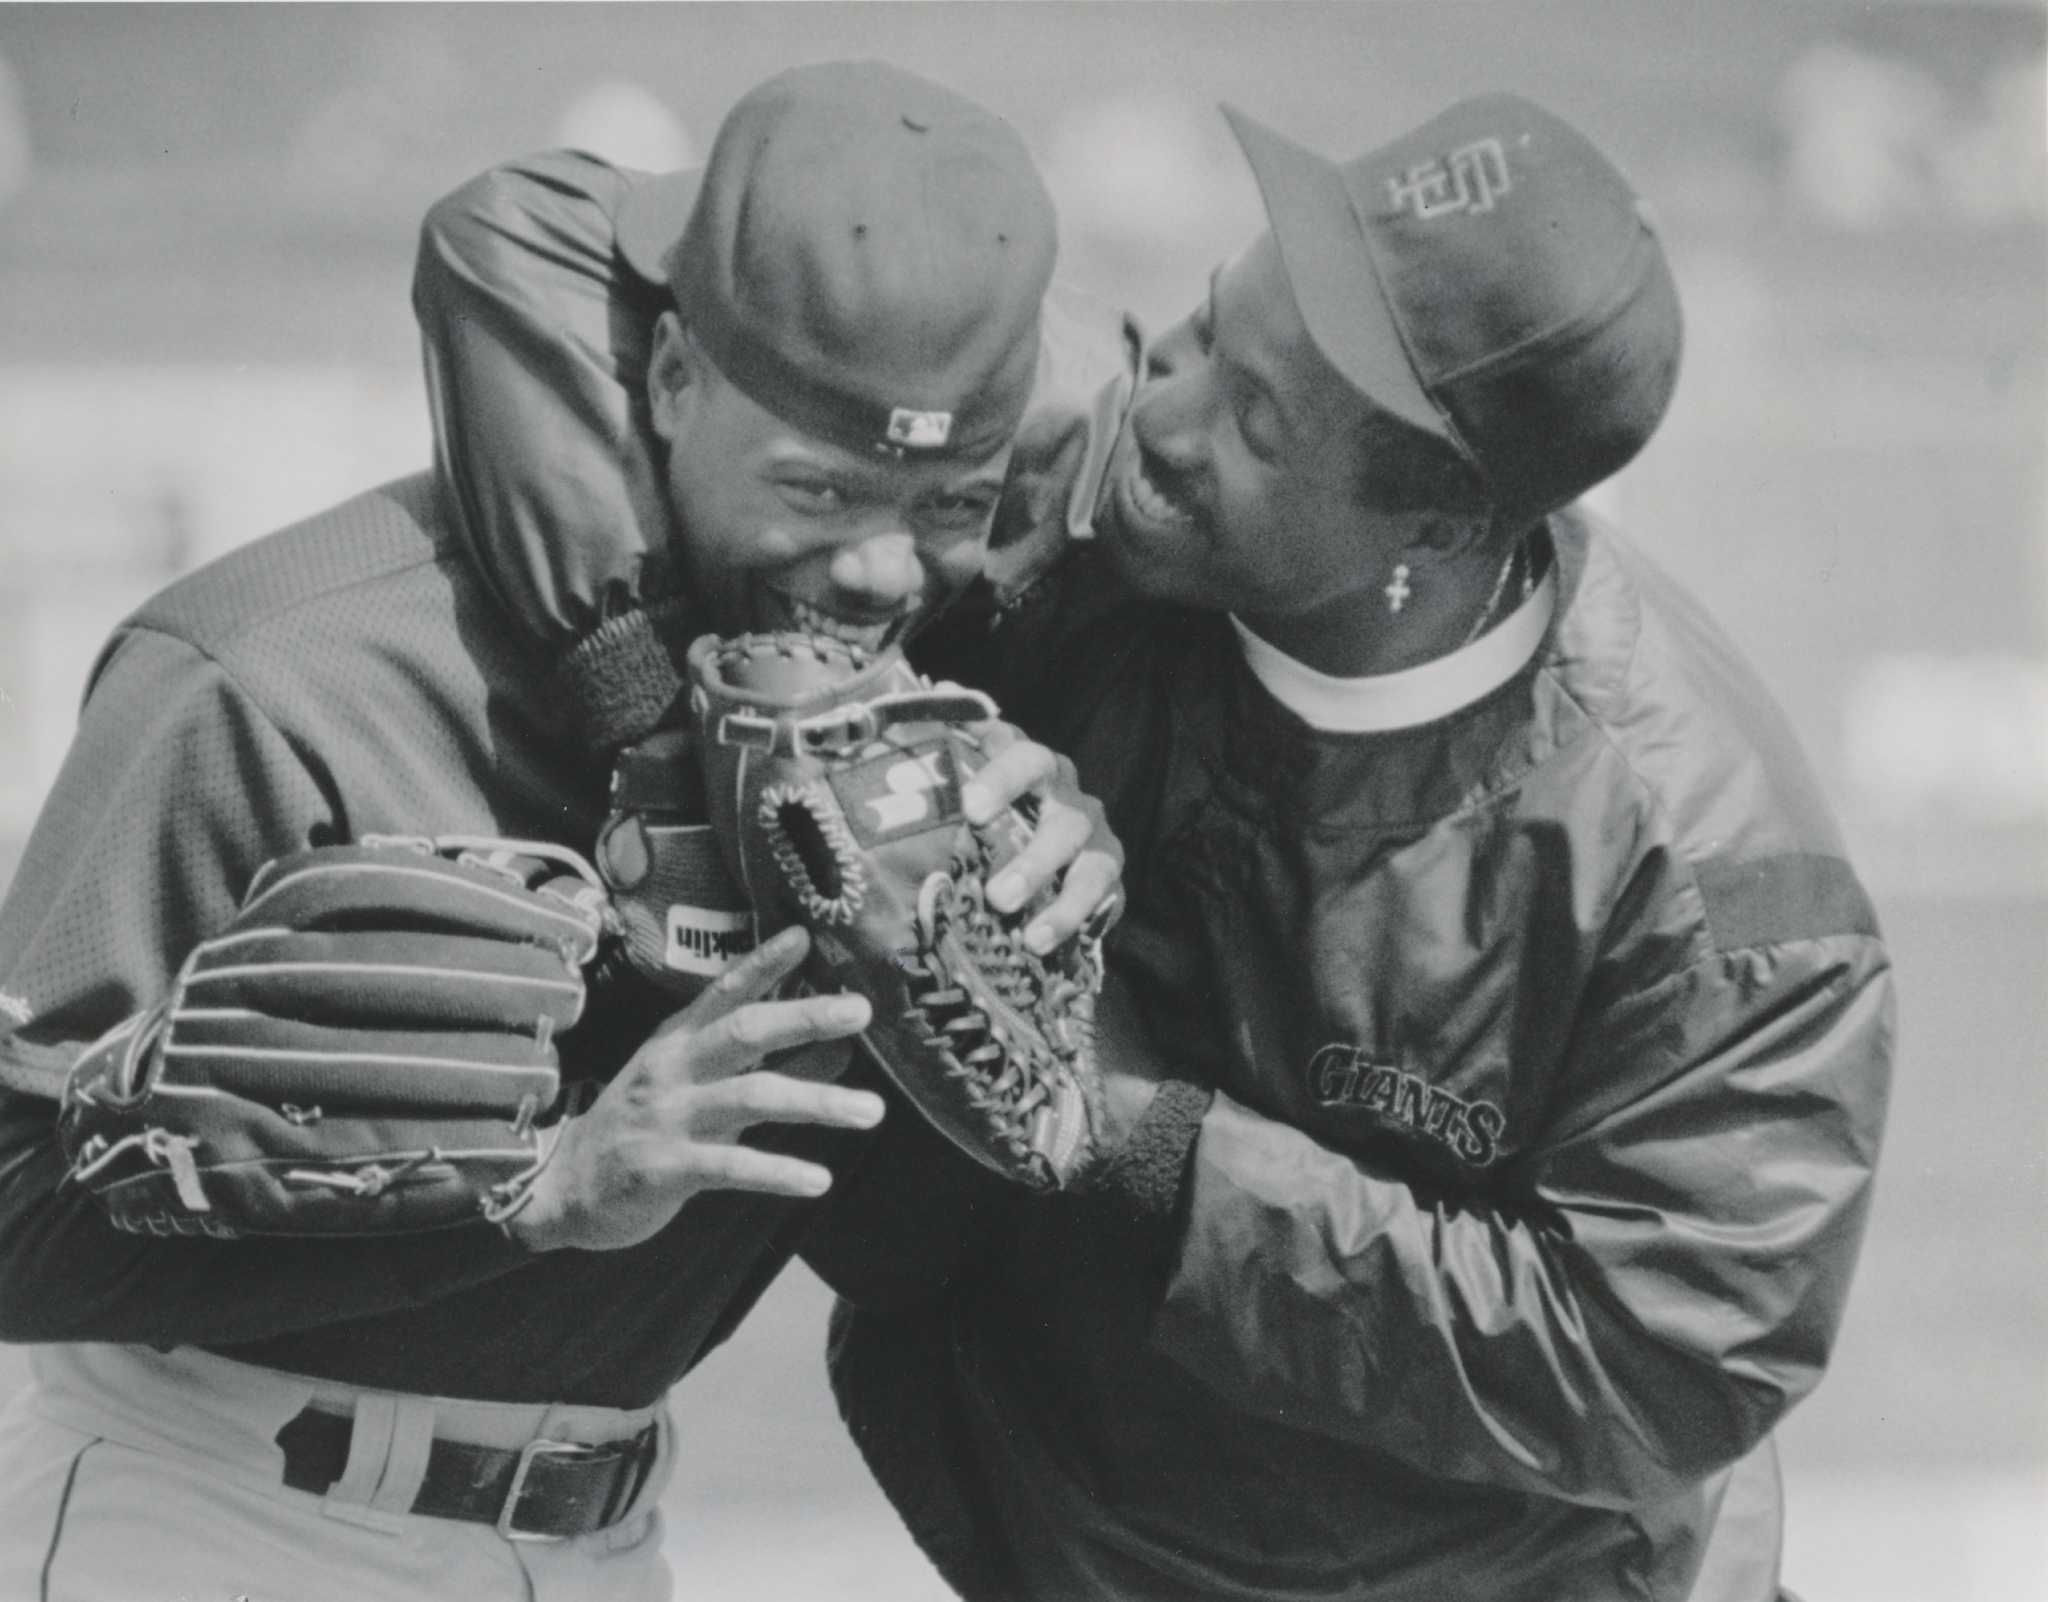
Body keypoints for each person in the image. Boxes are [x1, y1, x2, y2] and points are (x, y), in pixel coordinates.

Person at [400, 88, 1896, 1602]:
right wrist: (652, 713)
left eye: (1252, 422)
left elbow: (1666, 1362)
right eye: (1198, 332)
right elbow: (521, 236)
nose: (1160, 415)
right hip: (1056, 1546)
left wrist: (1147, 1138)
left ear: (1432, 536)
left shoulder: (1714, 885)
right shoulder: (1075, 466)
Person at [0, 59, 1117, 1602]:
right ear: (670, 379)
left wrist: (1072, 869)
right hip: (214, 1515)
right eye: (818, 485)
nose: (876, 569)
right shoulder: (276, 676)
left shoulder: (926, 706)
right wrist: (530, 1185)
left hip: (612, 1538)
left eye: (944, 509)